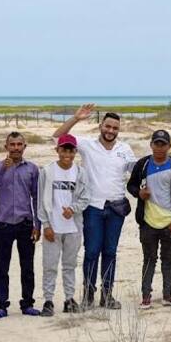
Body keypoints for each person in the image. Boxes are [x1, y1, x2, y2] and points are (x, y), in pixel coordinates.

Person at [53, 104, 136, 310]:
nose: (110, 131)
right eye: (108, 126)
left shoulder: (124, 149)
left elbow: (137, 171)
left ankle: (107, 296)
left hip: (116, 208)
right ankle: (88, 296)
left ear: (118, 130)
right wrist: (76, 118)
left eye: (115, 128)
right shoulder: (87, 145)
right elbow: (57, 137)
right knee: (91, 252)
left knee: (110, 252)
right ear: (101, 126)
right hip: (93, 208)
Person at [127, 130, 171, 309]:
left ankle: (167, 296)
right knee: (149, 259)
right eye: (157, 144)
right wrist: (139, 193)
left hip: (170, 222)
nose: (160, 148)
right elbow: (131, 185)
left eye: (163, 144)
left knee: (168, 259)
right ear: (151, 145)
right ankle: (146, 296)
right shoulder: (142, 164)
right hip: (147, 222)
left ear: (169, 146)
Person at [0, 132, 41, 319]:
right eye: (12, 144)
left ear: (24, 147)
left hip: (26, 223)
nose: (16, 148)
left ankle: (27, 303)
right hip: (3, 223)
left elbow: (36, 197)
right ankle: (1, 305)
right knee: (2, 266)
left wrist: (37, 224)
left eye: (19, 144)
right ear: (6, 147)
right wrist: (3, 167)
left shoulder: (32, 169)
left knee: (28, 266)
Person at [37, 134, 90, 317]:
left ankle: (69, 299)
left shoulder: (80, 173)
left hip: (73, 228)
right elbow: (41, 201)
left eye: (71, 150)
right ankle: (48, 300)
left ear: (75, 151)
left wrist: (73, 209)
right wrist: (46, 225)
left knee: (70, 265)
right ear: (57, 150)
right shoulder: (47, 171)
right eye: (63, 149)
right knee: (50, 266)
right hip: (53, 228)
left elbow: (85, 198)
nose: (67, 154)